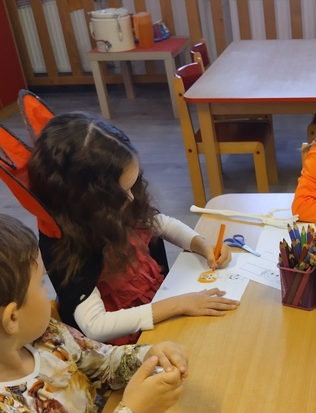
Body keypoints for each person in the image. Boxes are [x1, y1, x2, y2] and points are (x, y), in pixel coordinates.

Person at [0, 214, 187, 413]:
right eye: (40, 284)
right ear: (12, 317)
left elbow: (102, 363)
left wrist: (148, 355)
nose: (47, 292)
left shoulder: (44, 335)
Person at [26, 113, 239, 344]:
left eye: (133, 185)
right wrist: (178, 304)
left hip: (158, 309)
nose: (131, 198)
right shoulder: (69, 245)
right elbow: (96, 325)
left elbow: (161, 223)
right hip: (124, 345)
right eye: (122, 192)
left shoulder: (109, 207)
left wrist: (202, 245)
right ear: (85, 199)